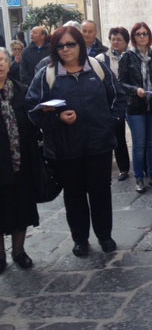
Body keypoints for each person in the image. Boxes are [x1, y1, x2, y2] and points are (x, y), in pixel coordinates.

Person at [26, 27, 125, 257]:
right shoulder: (47, 74)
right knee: (74, 194)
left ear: (80, 45)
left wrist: (109, 122)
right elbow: (32, 108)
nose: (66, 49)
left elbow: (118, 97)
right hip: (65, 148)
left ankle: (105, 235)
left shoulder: (97, 68)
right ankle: (80, 239)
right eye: (60, 45)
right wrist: (57, 118)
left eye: (71, 44)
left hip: (99, 145)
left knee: (101, 192)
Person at [119, 22, 152, 194]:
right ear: (133, 37)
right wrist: (135, 90)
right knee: (139, 143)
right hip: (135, 106)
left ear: (149, 36)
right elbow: (121, 83)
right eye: (138, 34)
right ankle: (139, 178)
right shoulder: (127, 57)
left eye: (145, 33)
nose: (142, 37)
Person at [0, 47, 39, 272]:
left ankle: (19, 251)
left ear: (9, 64)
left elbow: (32, 121)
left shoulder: (21, 91)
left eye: (2, 60)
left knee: (22, 208)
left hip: (21, 161)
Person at [96, 27, 131, 181]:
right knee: (117, 134)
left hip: (131, 100)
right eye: (113, 39)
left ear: (126, 42)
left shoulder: (131, 56)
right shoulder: (101, 58)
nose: (115, 42)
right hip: (113, 101)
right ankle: (122, 168)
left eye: (119, 40)